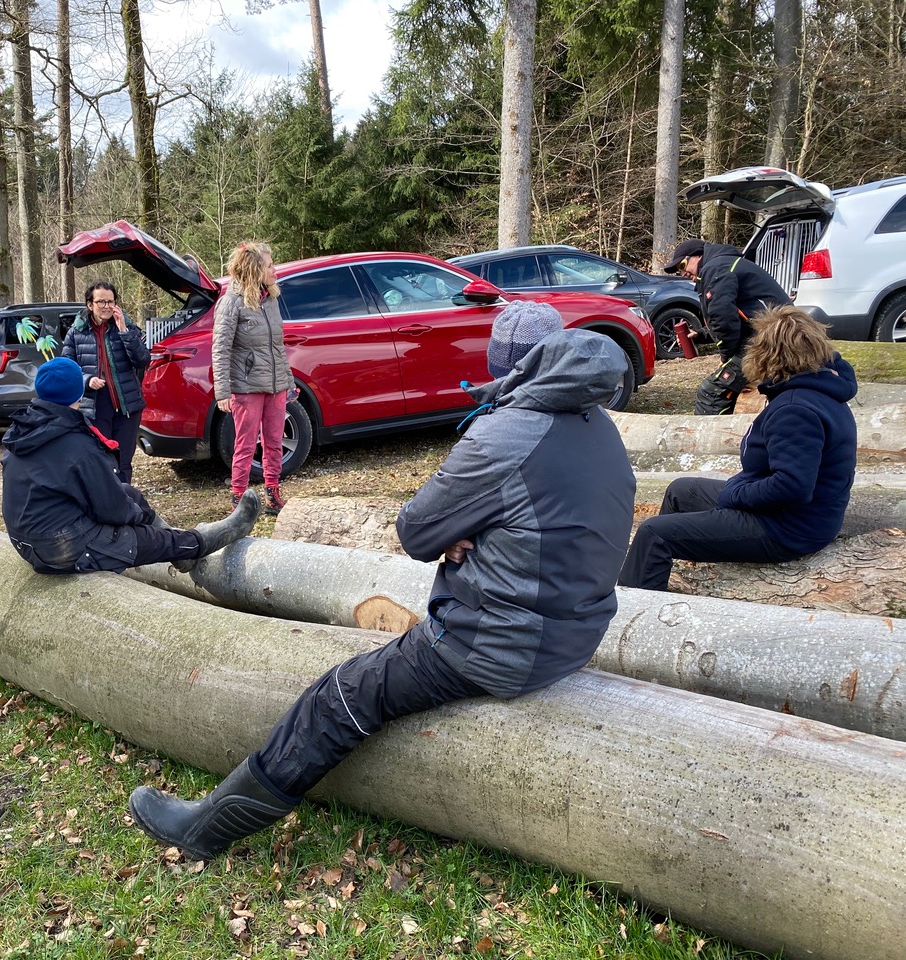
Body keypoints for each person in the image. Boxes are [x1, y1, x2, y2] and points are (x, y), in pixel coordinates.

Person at [128, 302, 636, 861]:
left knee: (337, 696)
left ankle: (204, 829)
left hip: (499, 644)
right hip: (578, 631)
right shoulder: (598, 423)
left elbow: (415, 531)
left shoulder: (505, 433)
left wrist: (459, 531)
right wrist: (478, 529)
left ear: (507, 367)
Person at [618, 305, 857, 592]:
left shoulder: (796, 409)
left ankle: (634, 608)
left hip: (788, 529)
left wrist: (737, 494)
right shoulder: (818, 392)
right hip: (793, 516)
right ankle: (673, 572)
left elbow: (792, 487)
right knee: (682, 490)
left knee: (653, 534)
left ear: (770, 354)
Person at [2, 357, 261, 576]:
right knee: (153, 538)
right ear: (77, 394)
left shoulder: (25, 430)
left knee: (129, 492)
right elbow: (112, 509)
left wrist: (134, 508)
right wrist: (137, 520)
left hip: (28, 543)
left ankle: (180, 555)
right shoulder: (76, 444)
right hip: (63, 549)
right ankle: (202, 541)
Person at [211, 241, 297, 515]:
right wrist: (223, 392)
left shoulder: (270, 299)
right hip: (246, 387)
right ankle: (238, 499)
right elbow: (220, 347)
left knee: (274, 441)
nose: (275, 270)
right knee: (245, 444)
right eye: (270, 265)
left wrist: (289, 381)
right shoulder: (231, 302)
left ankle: (273, 493)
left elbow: (277, 346)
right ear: (254, 268)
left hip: (276, 385)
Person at [662, 238, 790, 415]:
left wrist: (726, 357)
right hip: (773, 336)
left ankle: (707, 440)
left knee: (711, 393)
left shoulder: (715, 268)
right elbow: (738, 315)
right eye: (678, 271)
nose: (682, 273)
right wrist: (701, 335)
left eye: (682, 265)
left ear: (697, 256)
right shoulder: (724, 265)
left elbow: (722, 314)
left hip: (771, 340)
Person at [60, 280, 150, 484]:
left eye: (111, 302)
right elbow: (67, 367)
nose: (107, 306)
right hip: (95, 406)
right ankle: (105, 504)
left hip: (127, 405)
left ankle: (126, 505)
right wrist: (86, 379)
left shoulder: (126, 327)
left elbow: (142, 359)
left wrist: (125, 332)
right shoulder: (76, 332)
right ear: (90, 305)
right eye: (101, 302)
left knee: (124, 459)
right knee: (101, 459)